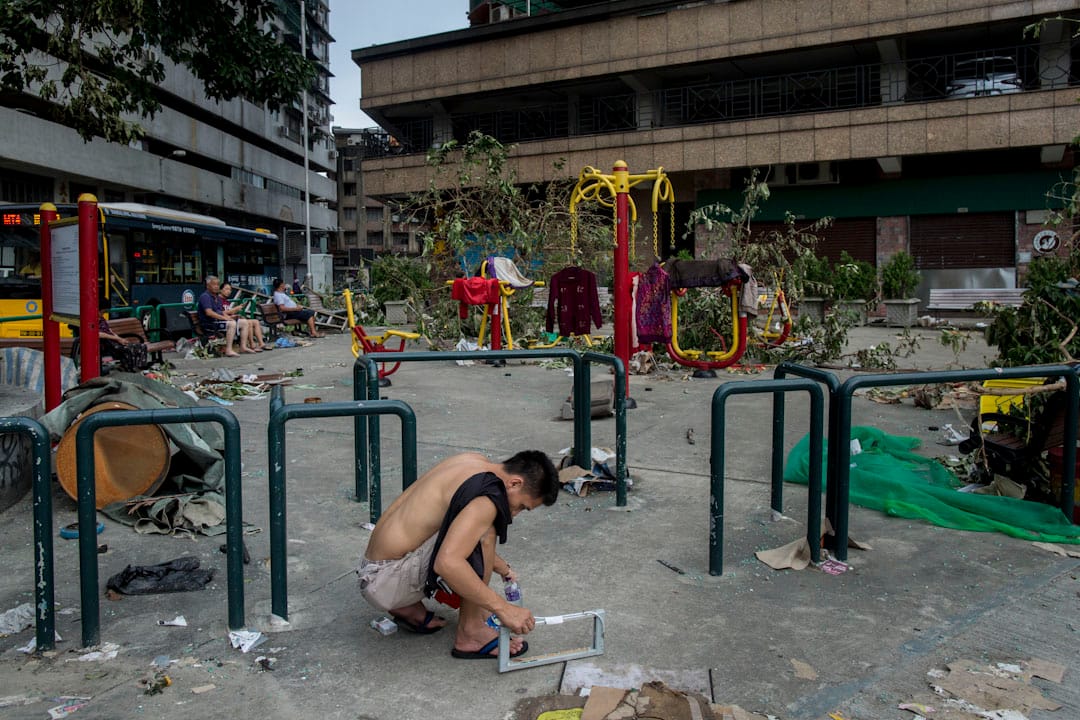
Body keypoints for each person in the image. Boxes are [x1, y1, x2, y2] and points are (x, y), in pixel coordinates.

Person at [358, 450, 559, 660]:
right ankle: (471, 633)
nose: (515, 514)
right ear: (515, 483)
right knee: (485, 530)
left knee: (469, 532)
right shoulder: (486, 498)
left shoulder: (472, 461)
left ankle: (406, 605)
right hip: (385, 581)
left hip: (373, 570)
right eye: (521, 507)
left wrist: (501, 567)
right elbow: (447, 563)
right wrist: (504, 608)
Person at [197, 275, 249, 356]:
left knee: (244, 322)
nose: (216, 286)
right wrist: (225, 318)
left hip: (217, 321)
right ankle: (229, 350)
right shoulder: (205, 296)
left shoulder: (216, 297)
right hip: (209, 324)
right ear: (207, 286)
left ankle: (243, 347)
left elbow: (221, 312)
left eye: (218, 284)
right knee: (231, 324)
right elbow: (209, 313)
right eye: (214, 284)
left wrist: (229, 317)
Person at [221, 282, 271, 351]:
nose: (228, 291)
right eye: (226, 289)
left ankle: (261, 343)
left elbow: (229, 313)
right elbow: (221, 313)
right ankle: (252, 345)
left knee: (256, 321)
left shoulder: (226, 301)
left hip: (232, 318)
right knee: (248, 323)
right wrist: (235, 309)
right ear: (221, 290)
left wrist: (236, 315)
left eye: (230, 290)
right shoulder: (218, 300)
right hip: (226, 321)